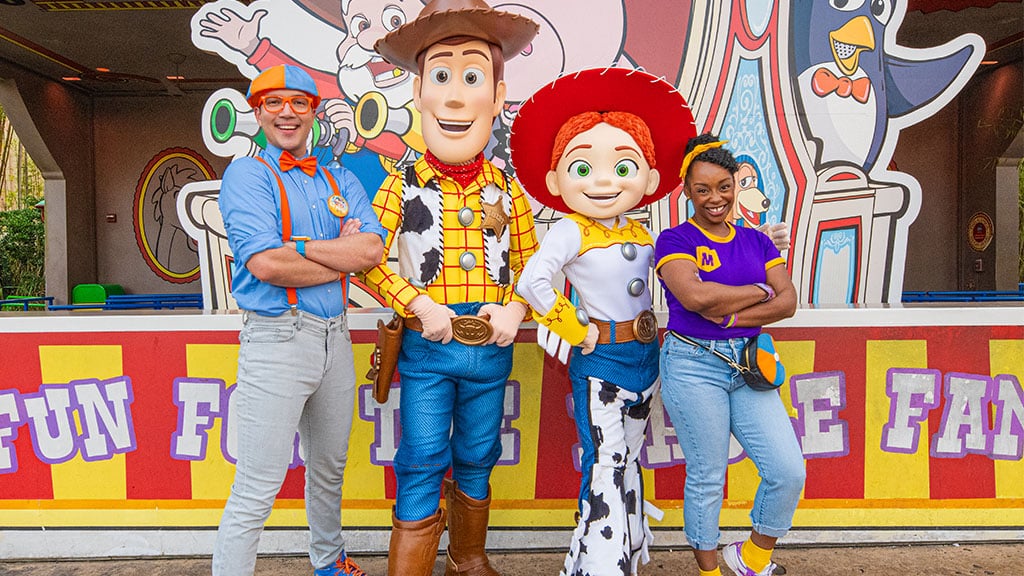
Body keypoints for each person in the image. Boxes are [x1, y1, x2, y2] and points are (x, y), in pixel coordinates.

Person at [362, 1, 540, 575]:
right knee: (421, 454)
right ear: (419, 91)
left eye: (472, 77)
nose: (457, 98)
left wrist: (515, 309)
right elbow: (366, 260)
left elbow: (532, 265)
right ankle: (409, 568)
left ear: (498, 94)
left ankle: (468, 556)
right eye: (442, 76)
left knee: (479, 455)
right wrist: (415, 302)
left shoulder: (507, 189)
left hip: (490, 351)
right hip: (428, 348)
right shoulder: (400, 185)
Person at [510, 67, 696, 576]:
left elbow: (686, 269)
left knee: (628, 459)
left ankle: (623, 558)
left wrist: (758, 246)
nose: (604, 181)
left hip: (646, 357)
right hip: (602, 361)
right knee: (606, 462)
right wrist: (576, 328)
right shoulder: (570, 230)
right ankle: (599, 565)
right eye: (583, 168)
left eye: (623, 166)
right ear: (556, 181)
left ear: (650, 179)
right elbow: (532, 282)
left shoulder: (642, 231)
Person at [214, 64, 386, 576]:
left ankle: (329, 562)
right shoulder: (248, 175)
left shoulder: (340, 177)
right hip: (277, 338)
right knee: (257, 486)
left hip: (336, 338)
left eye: (298, 102)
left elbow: (371, 250)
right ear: (257, 111)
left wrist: (301, 247)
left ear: (313, 111)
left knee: (329, 469)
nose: (286, 113)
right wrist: (338, 255)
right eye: (274, 102)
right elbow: (267, 264)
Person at [653, 133, 805, 576]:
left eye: (724, 186)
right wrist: (760, 289)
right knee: (708, 475)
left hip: (748, 364)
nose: (715, 198)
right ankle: (709, 571)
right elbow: (696, 297)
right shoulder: (674, 239)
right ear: (687, 190)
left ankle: (751, 557)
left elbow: (788, 302)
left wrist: (733, 315)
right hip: (692, 364)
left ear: (736, 184)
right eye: (703, 189)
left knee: (787, 470)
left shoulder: (757, 241)